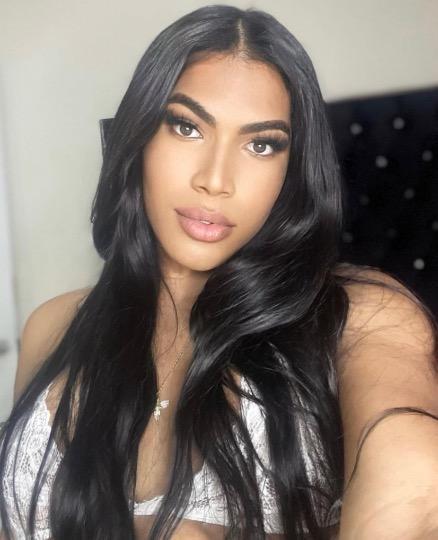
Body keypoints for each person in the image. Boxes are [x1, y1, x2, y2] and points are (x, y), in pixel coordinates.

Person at [1, 4, 438, 539]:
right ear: (139, 136)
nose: (215, 180)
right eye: (186, 127)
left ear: (293, 170)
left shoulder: (360, 314)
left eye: (261, 144)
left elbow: (414, 481)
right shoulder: (53, 325)